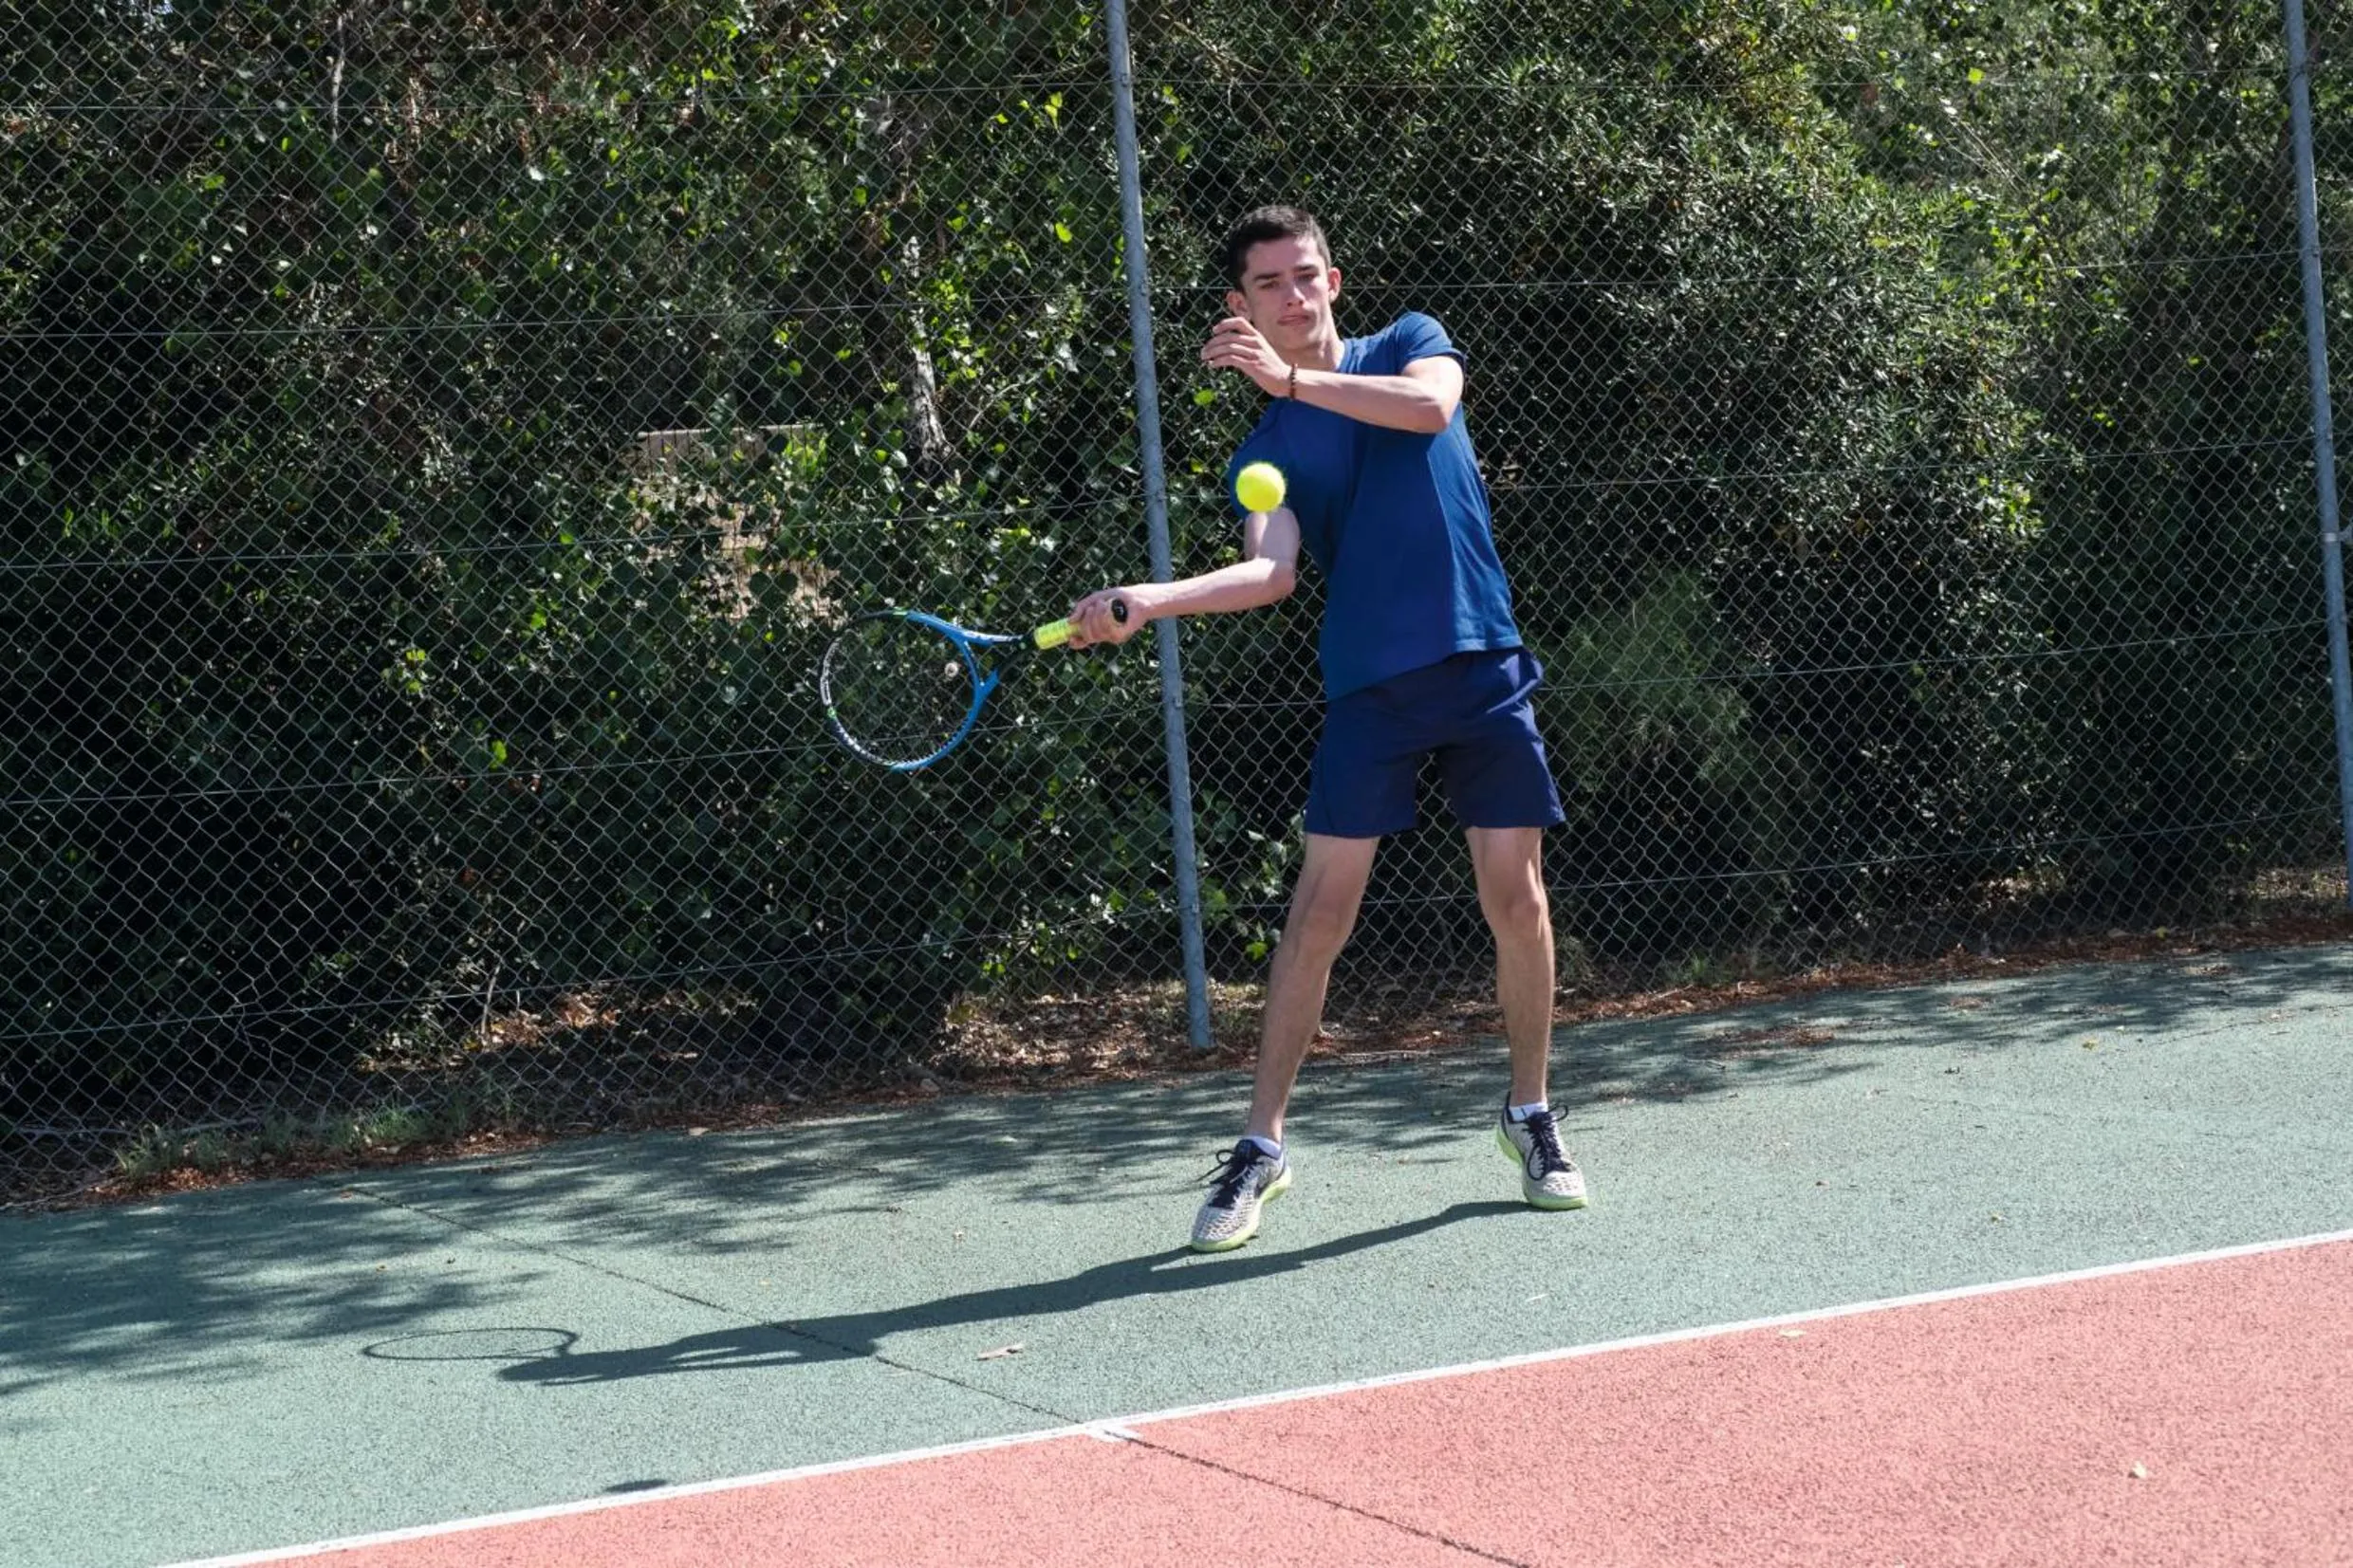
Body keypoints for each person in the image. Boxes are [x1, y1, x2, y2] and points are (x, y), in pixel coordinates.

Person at [1065, 205, 1586, 1251]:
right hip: (1370, 687)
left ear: (1332, 282)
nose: (1293, 297)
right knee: (1317, 916)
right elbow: (1271, 571)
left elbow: (1430, 410)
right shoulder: (1267, 448)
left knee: (1515, 895)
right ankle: (1261, 1145)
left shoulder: (1408, 342)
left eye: (1305, 275)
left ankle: (1529, 1114)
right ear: (1240, 306)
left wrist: (1294, 381)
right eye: (1269, 284)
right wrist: (1151, 600)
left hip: (1480, 658)